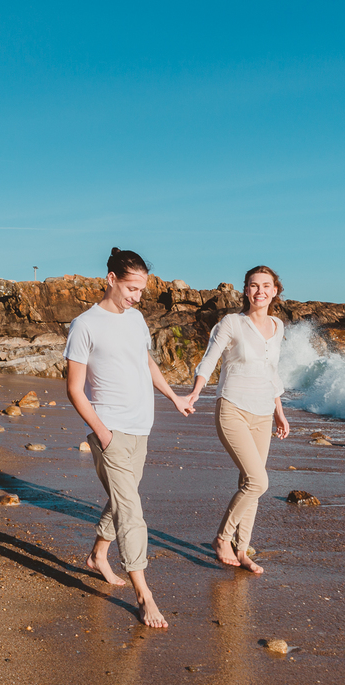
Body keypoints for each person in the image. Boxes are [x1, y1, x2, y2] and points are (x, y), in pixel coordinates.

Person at [64, 247, 194, 627]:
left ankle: (96, 556)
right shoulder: (85, 324)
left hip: (142, 427)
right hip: (111, 431)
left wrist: (174, 397)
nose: (137, 297)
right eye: (132, 288)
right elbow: (74, 388)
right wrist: (102, 433)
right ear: (111, 279)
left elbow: (146, 361)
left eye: (141, 290)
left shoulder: (136, 319)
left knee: (123, 500)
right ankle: (144, 594)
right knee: (132, 513)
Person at [187, 266, 290, 574]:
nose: (260, 291)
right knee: (259, 481)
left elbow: (271, 372)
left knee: (251, 484)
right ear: (246, 291)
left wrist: (279, 412)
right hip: (232, 407)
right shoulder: (231, 323)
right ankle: (223, 538)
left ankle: (242, 550)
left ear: (275, 291)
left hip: (262, 414)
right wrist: (195, 393)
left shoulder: (277, 326)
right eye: (254, 285)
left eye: (266, 286)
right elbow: (210, 358)